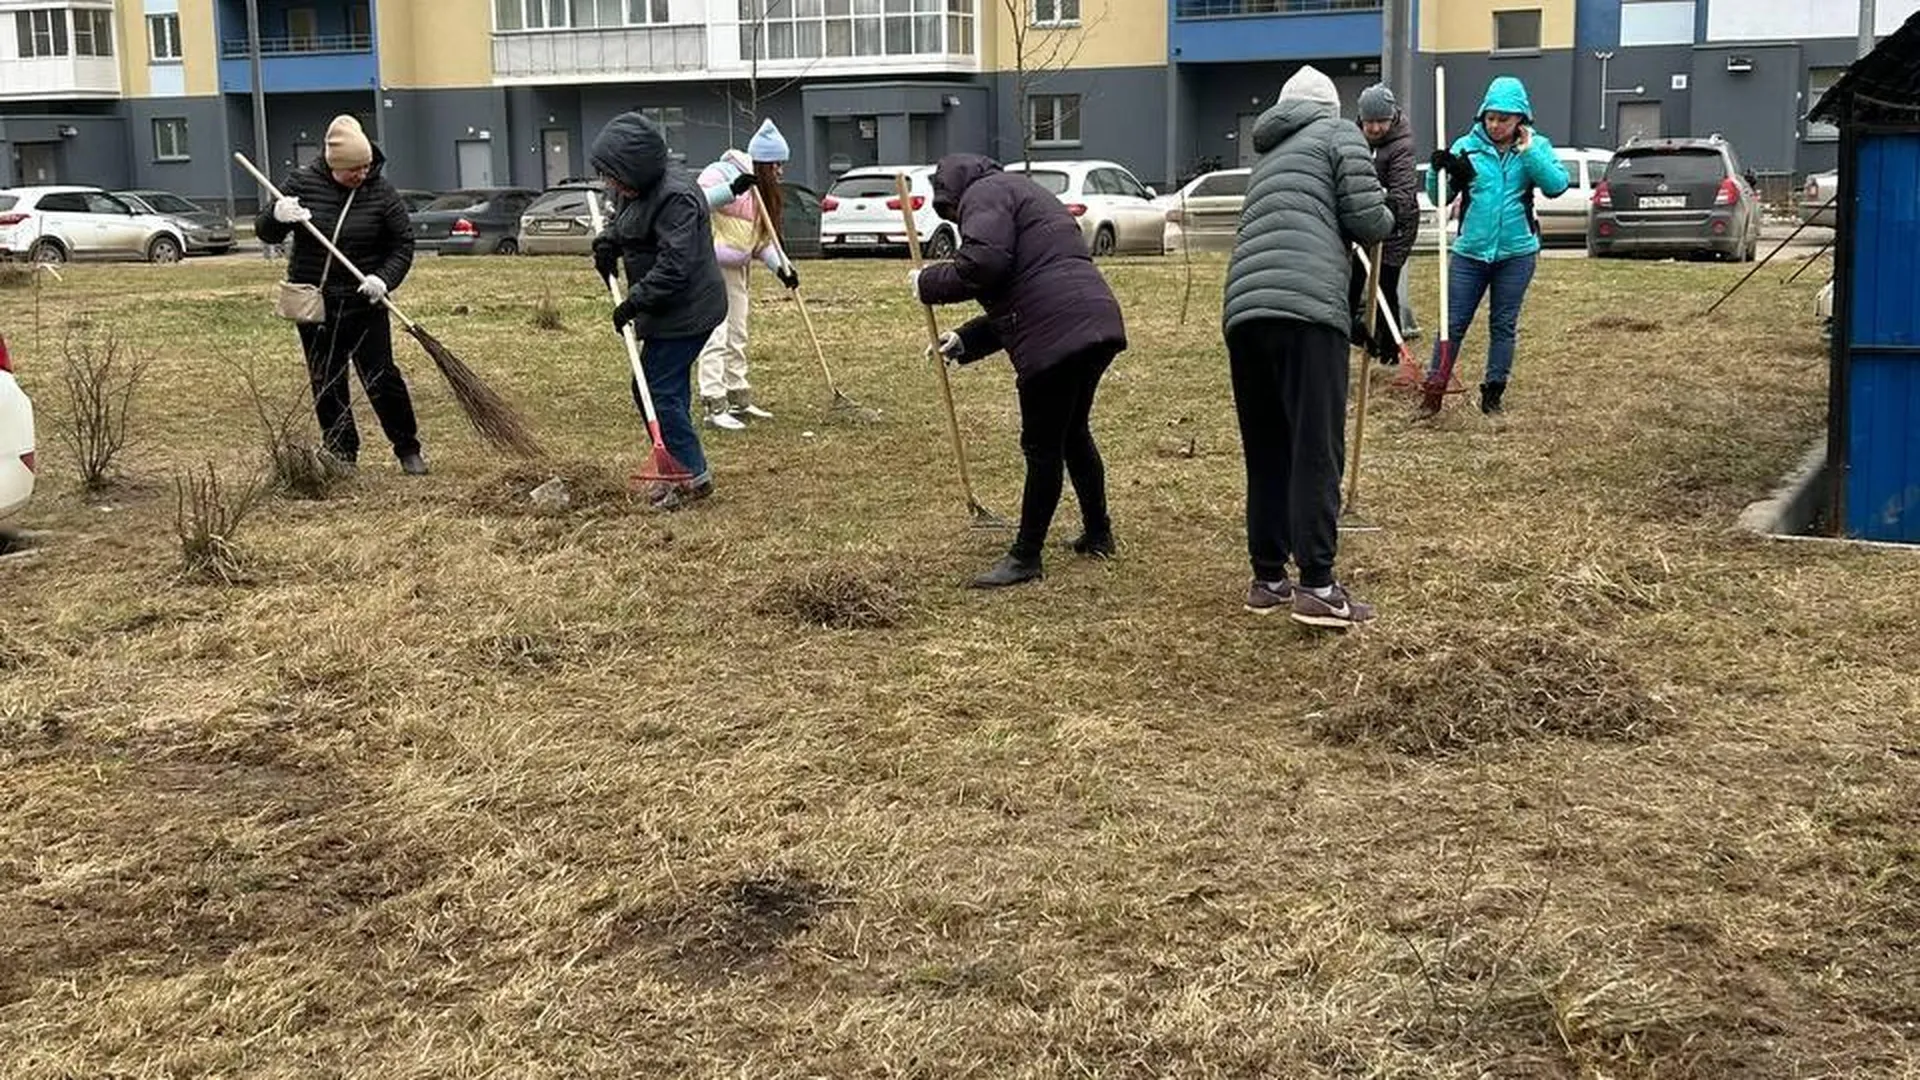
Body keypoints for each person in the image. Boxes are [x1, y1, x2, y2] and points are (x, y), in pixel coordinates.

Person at [1222, 65, 1393, 629]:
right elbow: (1367, 218)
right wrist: (1392, 213)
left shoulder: (1268, 157)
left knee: (1268, 447)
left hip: (1246, 312)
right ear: (1330, 107)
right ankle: (1318, 586)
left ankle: (1268, 577)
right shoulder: (1337, 132)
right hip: (1305, 313)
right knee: (1316, 448)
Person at [911, 153, 1127, 589]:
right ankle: (1098, 533)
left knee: (1043, 445)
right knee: (1073, 433)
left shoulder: (984, 195)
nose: (957, 220)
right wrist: (967, 340)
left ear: (954, 192)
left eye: (952, 212)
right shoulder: (1024, 192)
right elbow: (1030, 288)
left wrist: (927, 282)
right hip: (1095, 319)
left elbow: (984, 265)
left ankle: (1026, 556)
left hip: (1057, 335)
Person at [256, 115, 425, 475]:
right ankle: (341, 453)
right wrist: (276, 214)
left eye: (365, 167)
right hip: (316, 303)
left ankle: (408, 449)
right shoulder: (301, 183)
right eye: (354, 170)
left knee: (381, 375)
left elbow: (402, 244)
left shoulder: (381, 192)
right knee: (327, 379)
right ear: (335, 166)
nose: (361, 175)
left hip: (365, 302)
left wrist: (383, 278)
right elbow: (266, 233)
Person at [589, 110, 730, 509]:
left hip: (688, 309)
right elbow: (631, 225)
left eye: (612, 175)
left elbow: (675, 265)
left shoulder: (677, 198)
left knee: (656, 388)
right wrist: (608, 242)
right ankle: (681, 468)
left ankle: (689, 473)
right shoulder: (635, 190)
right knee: (659, 387)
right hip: (666, 307)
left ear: (633, 168)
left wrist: (635, 301)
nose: (608, 184)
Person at [1423, 75, 1570, 416]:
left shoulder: (1537, 147)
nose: (1495, 125)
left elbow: (1556, 186)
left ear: (1520, 118)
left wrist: (1528, 152)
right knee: (1452, 323)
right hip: (1470, 254)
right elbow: (1438, 196)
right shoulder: (1465, 147)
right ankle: (1433, 391)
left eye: (1504, 119)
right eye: (1490, 117)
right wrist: (1438, 171)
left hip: (1516, 254)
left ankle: (1493, 394)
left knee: (1502, 324)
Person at [694, 119, 801, 431]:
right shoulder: (721, 173)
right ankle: (713, 403)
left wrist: (782, 267)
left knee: (738, 332)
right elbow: (694, 204)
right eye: (776, 164)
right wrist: (730, 191)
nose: (781, 171)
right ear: (762, 162)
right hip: (710, 267)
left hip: (737, 270)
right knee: (717, 333)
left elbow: (758, 242)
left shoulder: (764, 194)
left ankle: (737, 397)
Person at [1349, 84, 1420, 370]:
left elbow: (1403, 191)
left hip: (1398, 225)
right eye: (1370, 122)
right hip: (1363, 218)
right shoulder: (1353, 139)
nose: (1376, 128)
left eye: (1381, 121)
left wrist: (1385, 213)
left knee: (1385, 285)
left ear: (1392, 118)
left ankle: (1390, 348)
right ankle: (1348, 332)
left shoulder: (1402, 144)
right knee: (1352, 278)